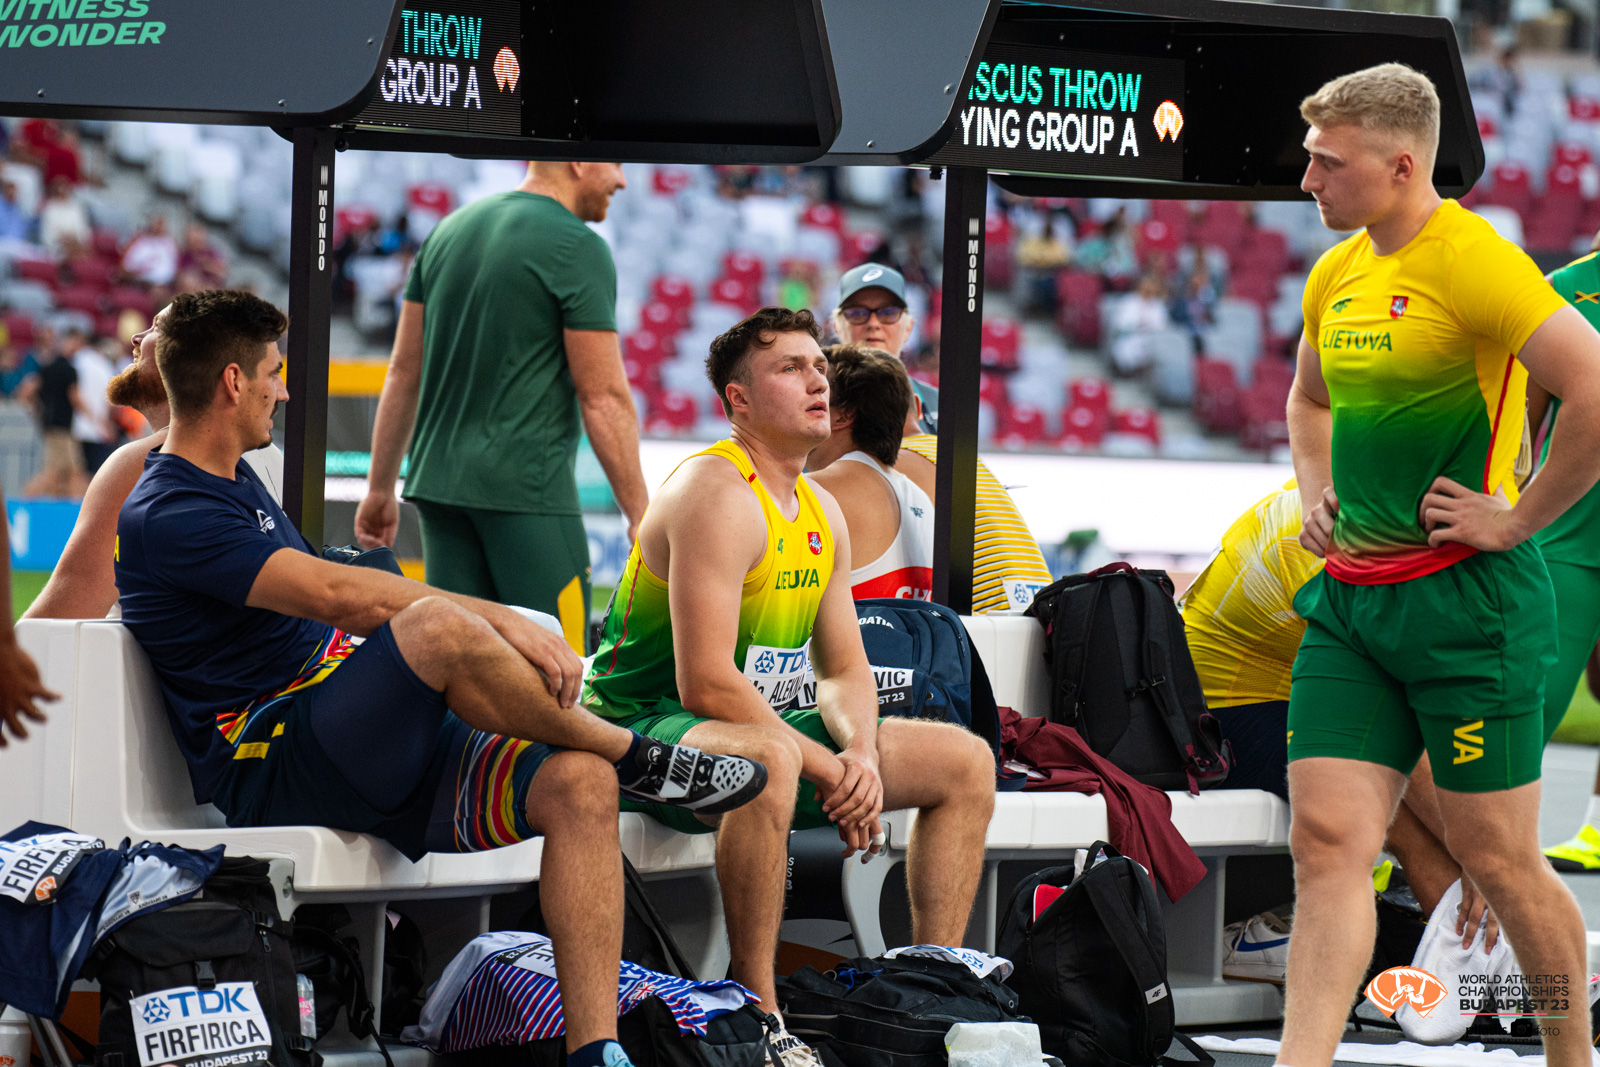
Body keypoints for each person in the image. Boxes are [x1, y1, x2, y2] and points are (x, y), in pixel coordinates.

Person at [116, 290, 768, 1067]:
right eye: (273, 373)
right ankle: (636, 752)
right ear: (231, 382)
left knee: (580, 785)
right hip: (274, 757)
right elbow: (337, 597)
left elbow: (334, 595)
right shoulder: (170, 506)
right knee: (432, 626)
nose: (283, 389)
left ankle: (597, 1052)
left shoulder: (233, 478)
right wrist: (505, 618)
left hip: (348, 739)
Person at [1280, 64, 1600, 1067]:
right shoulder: (1336, 272)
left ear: (1401, 163)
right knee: (1327, 844)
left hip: (1470, 607)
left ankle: (1570, 1051)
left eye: (1326, 163)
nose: (1306, 181)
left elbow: (1593, 387)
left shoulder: (1476, 263)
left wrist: (1516, 519)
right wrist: (1314, 490)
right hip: (1351, 609)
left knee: (1496, 856)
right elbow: (1309, 401)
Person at [581, 307, 995, 1066]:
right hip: (638, 727)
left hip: (747, 725)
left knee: (962, 762)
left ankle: (937, 982)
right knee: (768, 762)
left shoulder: (821, 508)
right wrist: (827, 764)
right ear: (738, 400)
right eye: (789, 368)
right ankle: (758, 1004)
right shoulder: (715, 489)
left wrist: (862, 752)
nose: (816, 379)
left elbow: (843, 670)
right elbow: (703, 680)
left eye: (818, 365)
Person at [356, 162, 649, 655]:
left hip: (439, 492)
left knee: (463, 676)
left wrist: (380, 488)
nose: (622, 181)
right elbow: (603, 396)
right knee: (563, 676)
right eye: (617, 164)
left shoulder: (446, 232)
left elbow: (403, 372)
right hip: (526, 496)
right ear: (579, 162)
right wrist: (642, 515)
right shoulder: (578, 246)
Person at [24, 306, 282, 621]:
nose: (136, 336)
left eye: (157, 327)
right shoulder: (269, 459)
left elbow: (53, 626)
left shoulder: (146, 462)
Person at [832, 264, 1054, 614]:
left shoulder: (942, 406)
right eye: (858, 312)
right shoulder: (815, 397)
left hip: (939, 588)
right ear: (837, 324)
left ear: (909, 326)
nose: (873, 323)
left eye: (888, 312)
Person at [1531, 240, 1600, 873]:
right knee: (1529, 695)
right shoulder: (1565, 289)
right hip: (1568, 534)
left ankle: (1596, 830)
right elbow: (1523, 420)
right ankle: (1453, 839)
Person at [806, 344, 934, 601]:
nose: (802, 406)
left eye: (816, 397)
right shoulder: (920, 499)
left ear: (842, 416)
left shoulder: (817, 491)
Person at [25, 334, 86, 498]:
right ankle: (25, 497)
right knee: (66, 471)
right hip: (62, 428)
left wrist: (37, 410)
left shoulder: (46, 368)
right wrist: (97, 419)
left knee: (62, 474)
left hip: (50, 426)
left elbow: (30, 390)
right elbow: (75, 398)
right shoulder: (69, 370)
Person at [65, 327, 116, 473]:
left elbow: (75, 394)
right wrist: (104, 422)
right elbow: (110, 398)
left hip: (80, 426)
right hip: (99, 429)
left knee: (78, 474)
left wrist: (92, 418)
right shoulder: (105, 365)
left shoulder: (78, 362)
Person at [120, 214, 180, 292]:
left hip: (166, 286)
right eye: (157, 222)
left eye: (161, 223)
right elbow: (126, 268)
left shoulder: (170, 243)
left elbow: (175, 270)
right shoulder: (139, 242)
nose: (159, 226)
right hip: (141, 285)